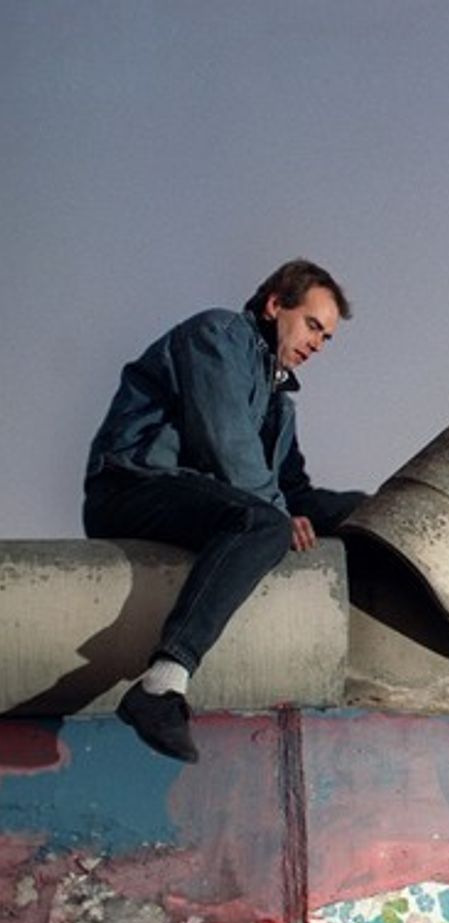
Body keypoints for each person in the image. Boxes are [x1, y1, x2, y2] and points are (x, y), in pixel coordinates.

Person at [84, 259, 366, 763]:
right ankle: (162, 684)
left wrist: (365, 514)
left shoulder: (278, 402)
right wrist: (279, 515)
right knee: (262, 523)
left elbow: (294, 490)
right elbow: (225, 442)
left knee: (354, 513)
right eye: (312, 325)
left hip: (196, 496)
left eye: (325, 338)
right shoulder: (217, 336)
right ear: (275, 305)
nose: (317, 344)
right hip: (133, 486)